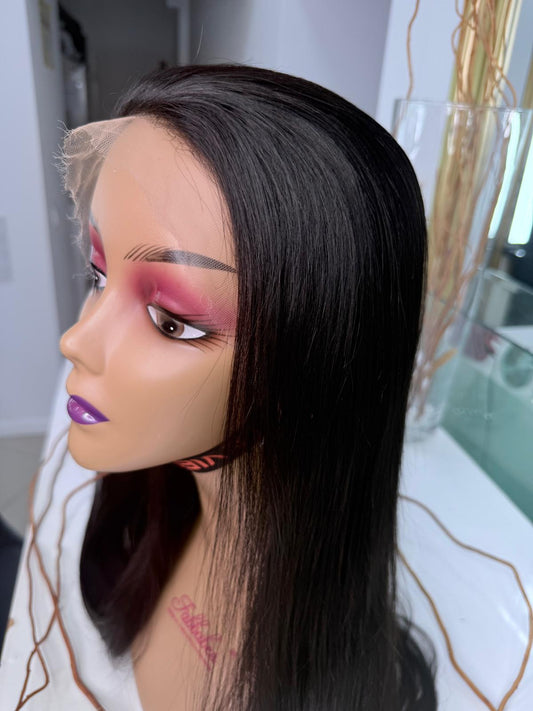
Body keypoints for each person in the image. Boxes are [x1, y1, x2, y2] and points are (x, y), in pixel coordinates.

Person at [4, 64, 438, 710]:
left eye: (170, 320)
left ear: (316, 355)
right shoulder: (135, 530)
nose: (78, 340)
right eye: (99, 274)